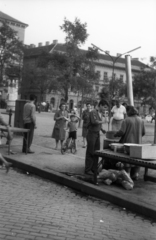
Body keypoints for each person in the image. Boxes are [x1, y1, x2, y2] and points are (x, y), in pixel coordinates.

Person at [114, 105, 145, 179]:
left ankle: (127, 174)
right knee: (137, 159)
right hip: (138, 143)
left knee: (127, 159)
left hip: (128, 143)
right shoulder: (141, 120)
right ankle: (135, 174)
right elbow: (143, 132)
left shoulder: (126, 120)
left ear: (128, 112)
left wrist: (116, 134)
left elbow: (122, 131)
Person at [85, 100, 108, 175]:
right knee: (90, 151)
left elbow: (99, 123)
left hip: (97, 133)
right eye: (104, 107)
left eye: (106, 108)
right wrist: (103, 121)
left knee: (96, 152)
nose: (105, 109)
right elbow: (94, 121)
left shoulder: (100, 113)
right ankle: (88, 169)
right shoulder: (93, 112)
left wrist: (102, 129)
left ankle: (94, 168)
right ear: (100, 105)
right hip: (91, 133)